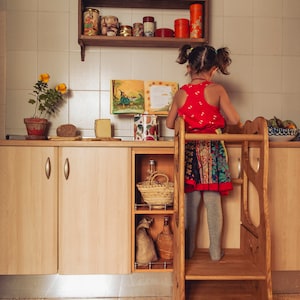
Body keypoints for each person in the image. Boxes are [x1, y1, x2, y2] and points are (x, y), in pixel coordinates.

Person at [166, 44, 241, 261]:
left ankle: (187, 253)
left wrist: (188, 119)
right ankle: (215, 252)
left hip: (189, 151)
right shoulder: (217, 90)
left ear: (188, 67)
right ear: (214, 69)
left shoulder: (181, 93)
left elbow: (171, 123)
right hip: (212, 150)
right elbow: (235, 120)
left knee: (190, 204)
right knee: (213, 203)